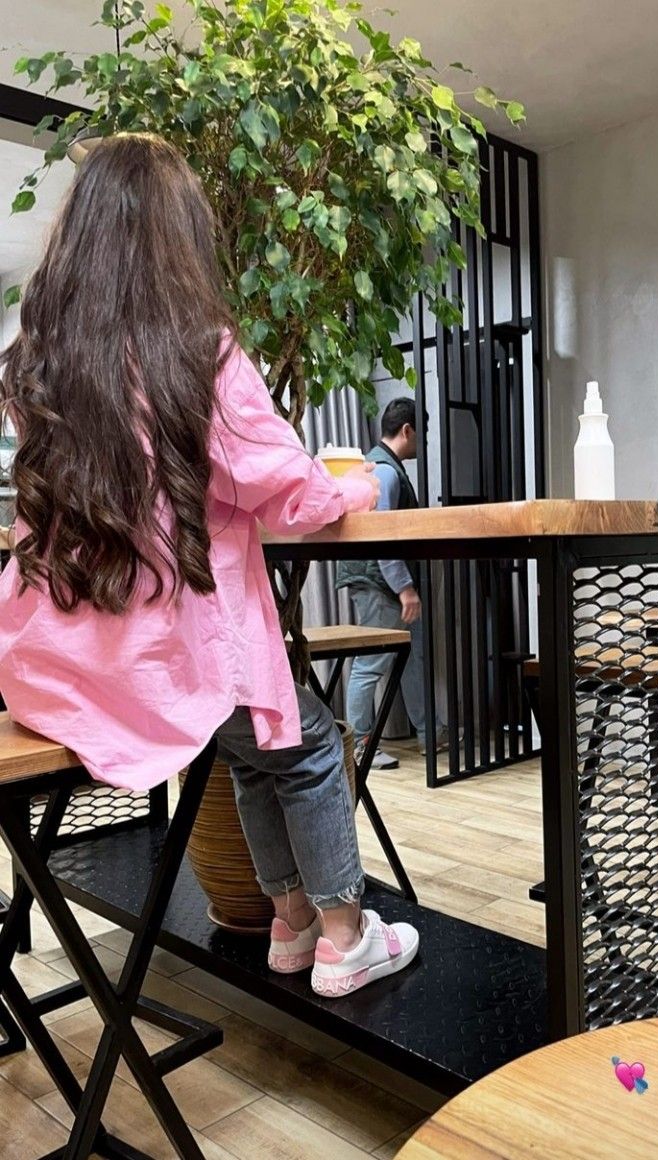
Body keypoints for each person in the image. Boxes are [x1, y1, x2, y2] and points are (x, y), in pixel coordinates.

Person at [0, 134, 418, 998]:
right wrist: (360, 483)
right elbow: (287, 493)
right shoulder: (194, 352)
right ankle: (346, 936)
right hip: (168, 660)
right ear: (178, 236)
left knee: (258, 744)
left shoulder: (41, 363)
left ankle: (291, 922)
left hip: (62, 666)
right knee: (306, 745)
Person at [336, 399, 447, 769]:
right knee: (371, 663)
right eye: (422, 433)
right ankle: (359, 746)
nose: (423, 442)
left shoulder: (379, 466)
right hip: (380, 584)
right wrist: (405, 588)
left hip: (380, 581)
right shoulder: (384, 472)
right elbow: (380, 536)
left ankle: (428, 733)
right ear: (407, 430)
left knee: (413, 658)